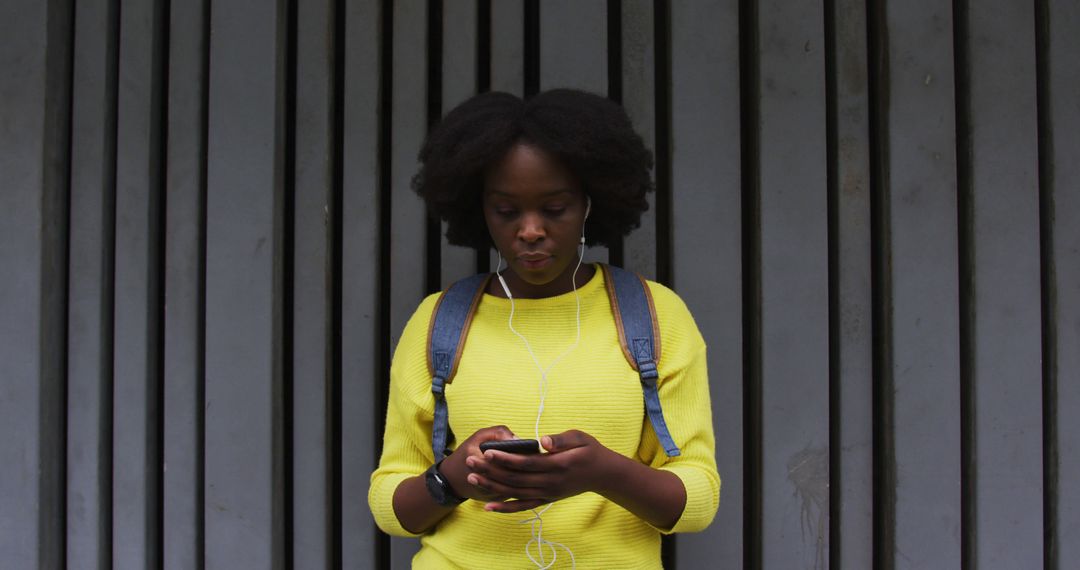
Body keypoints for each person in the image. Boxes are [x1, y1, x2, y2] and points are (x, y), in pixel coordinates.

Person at [368, 89, 719, 569]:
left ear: (590, 204)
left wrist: (602, 473)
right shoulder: (440, 320)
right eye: (506, 211)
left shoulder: (652, 316)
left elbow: (698, 499)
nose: (530, 230)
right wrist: (451, 478)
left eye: (554, 209)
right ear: (480, 208)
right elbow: (390, 505)